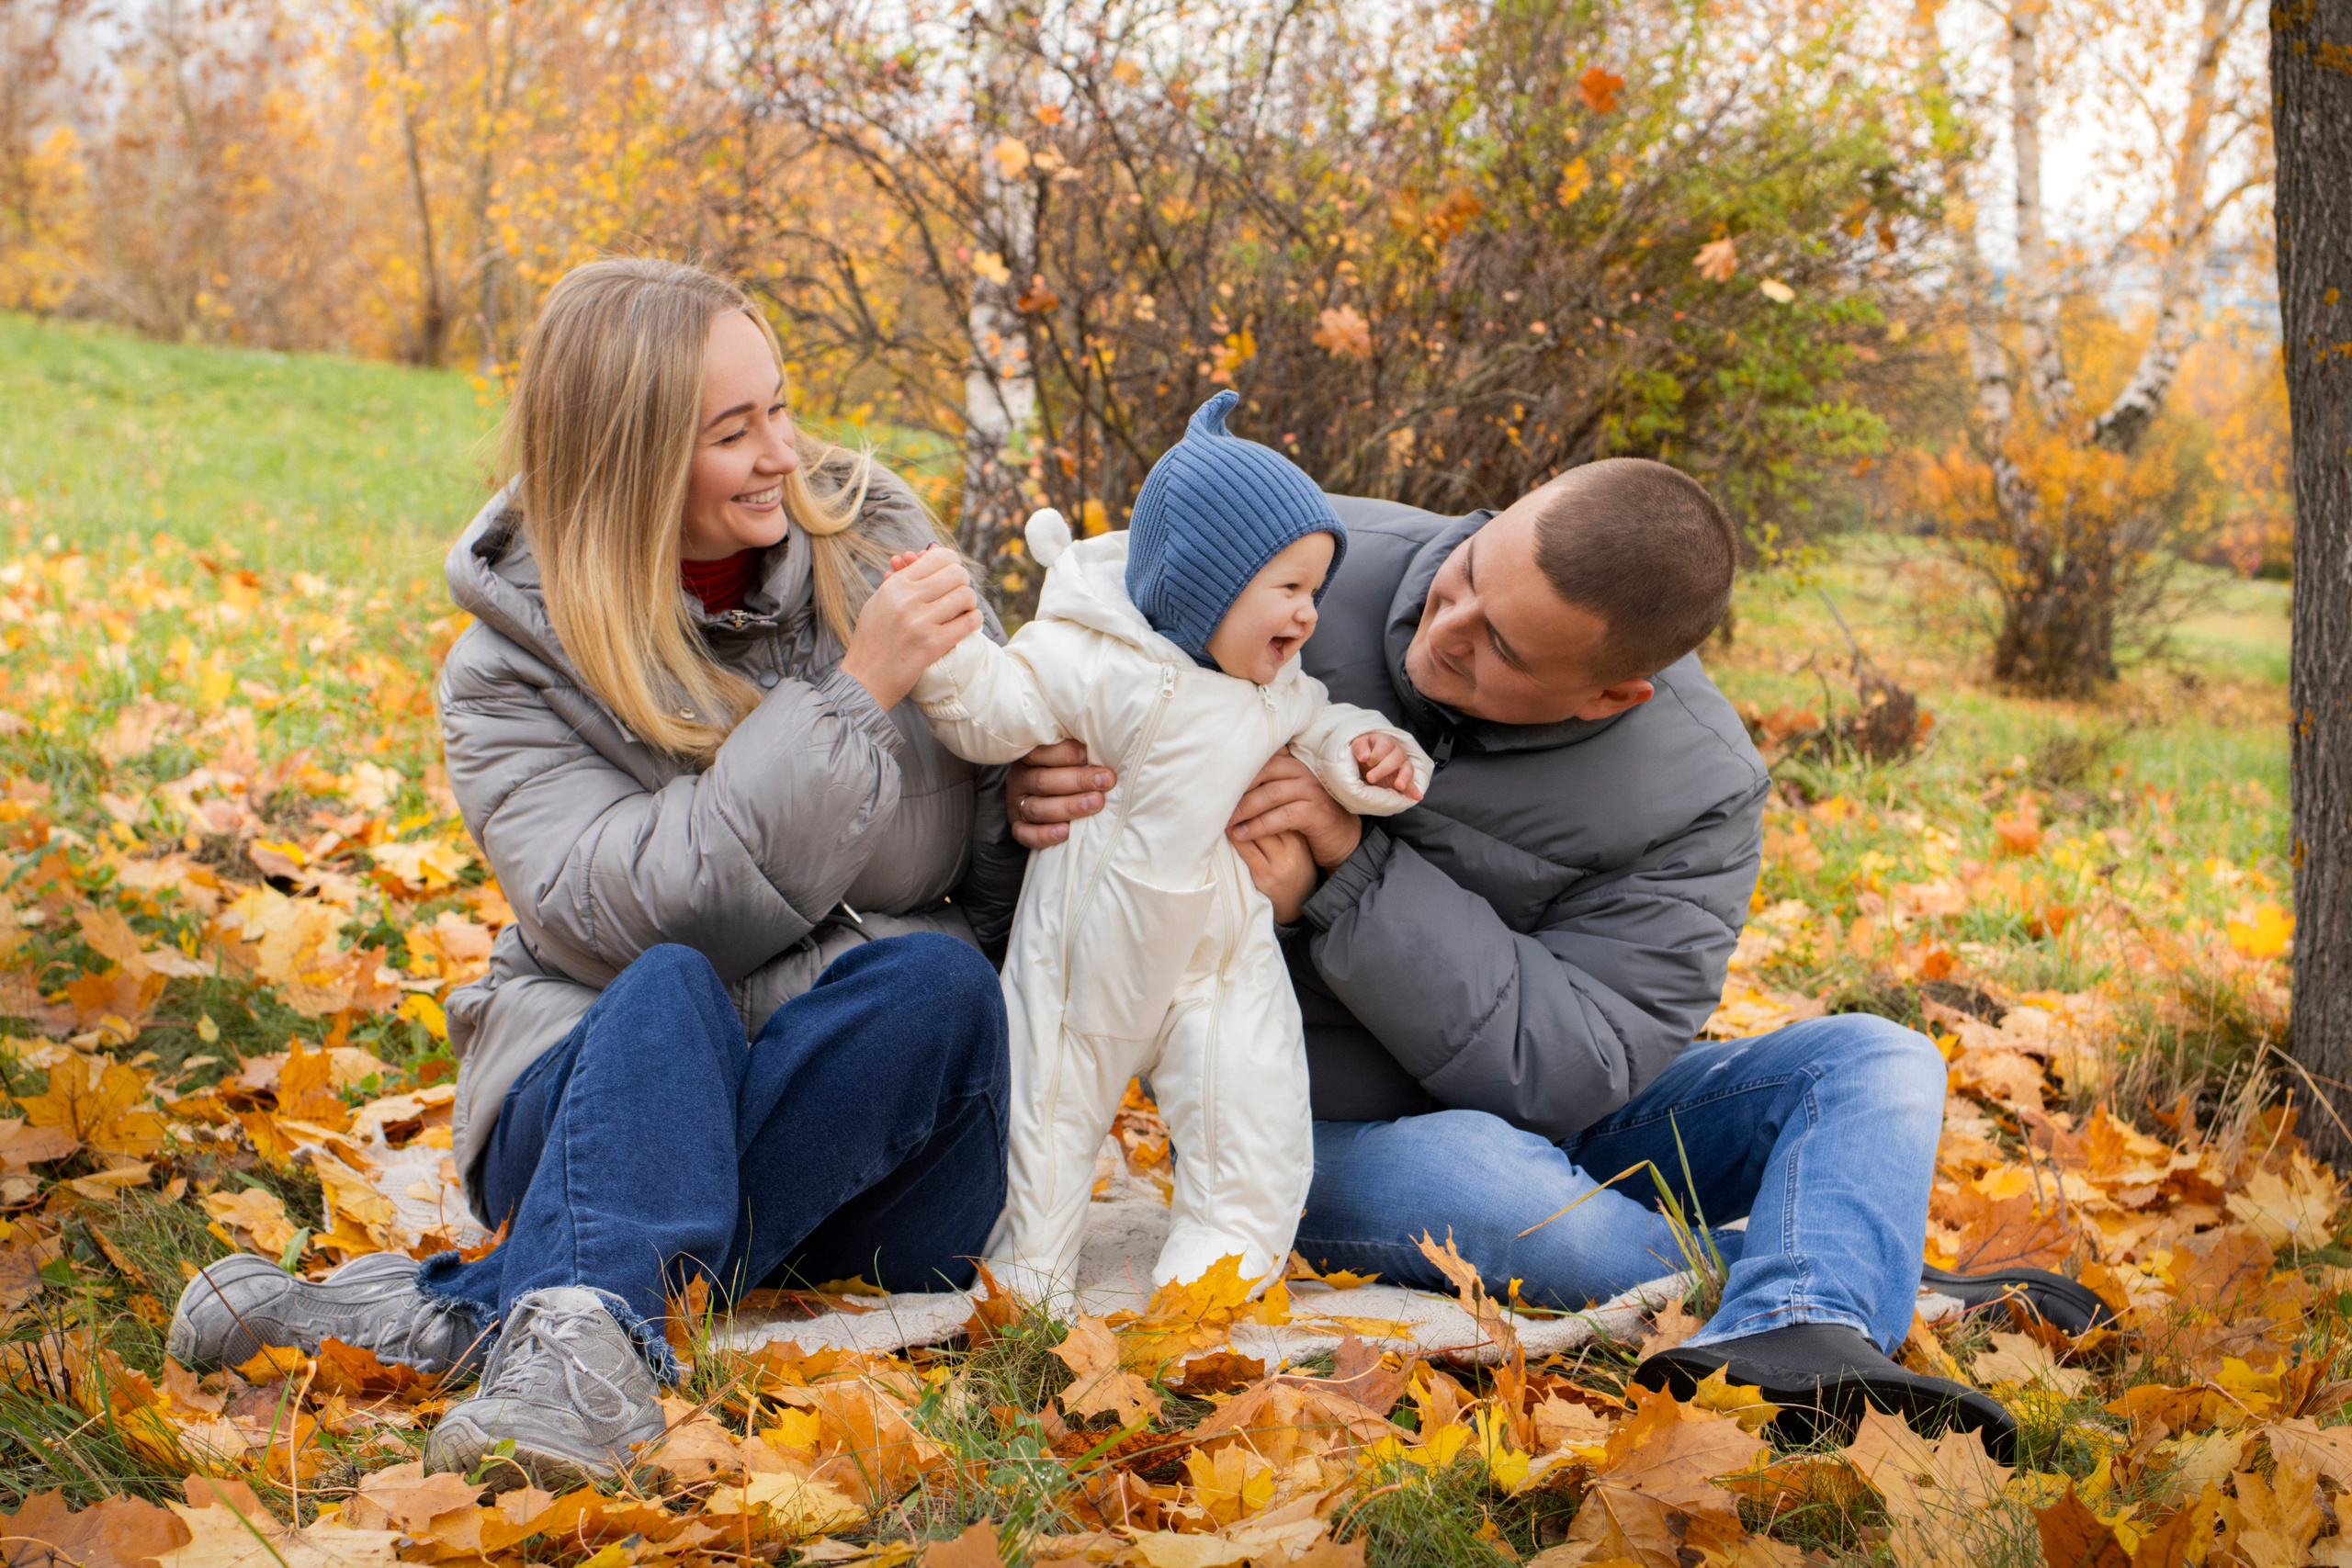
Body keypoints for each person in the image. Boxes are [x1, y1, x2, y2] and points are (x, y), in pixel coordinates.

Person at [1007, 460, 2113, 1461]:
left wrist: (1348, 873)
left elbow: (1580, 1064)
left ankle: (1804, 1320)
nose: (1444, 629)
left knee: (1878, 1059)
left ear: (1610, 695)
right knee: (1497, 1190)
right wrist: (1024, 783)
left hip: (1559, 1108)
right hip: (1293, 1113)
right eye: (1464, 575)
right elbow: (1069, 659)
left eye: (1501, 648)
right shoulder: (1295, 562)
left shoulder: (1699, 787)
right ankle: (1835, 1280)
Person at [166, 257, 1024, 1490]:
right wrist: (854, 700)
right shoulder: (506, 668)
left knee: (943, 989)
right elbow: (640, 912)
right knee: (666, 981)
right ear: (633, 458)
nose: (783, 452)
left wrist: (1032, 804)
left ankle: (482, 1309)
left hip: (863, 1126)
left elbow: (995, 863)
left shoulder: (875, 543)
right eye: (734, 431)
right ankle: (580, 1361)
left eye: (780, 407)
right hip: (611, 1087)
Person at [907, 393, 1430, 1296]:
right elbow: (995, 710)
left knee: (1252, 1106)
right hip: (1085, 950)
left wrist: (1373, 757)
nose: (1309, 615)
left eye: (1315, 592)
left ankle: (1215, 1275)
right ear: (1204, 583)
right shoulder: (1091, 657)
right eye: (1289, 589)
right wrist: (947, 653)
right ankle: (1027, 1273)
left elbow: (1330, 732)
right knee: (1046, 1115)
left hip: (1217, 958)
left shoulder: (1280, 689)